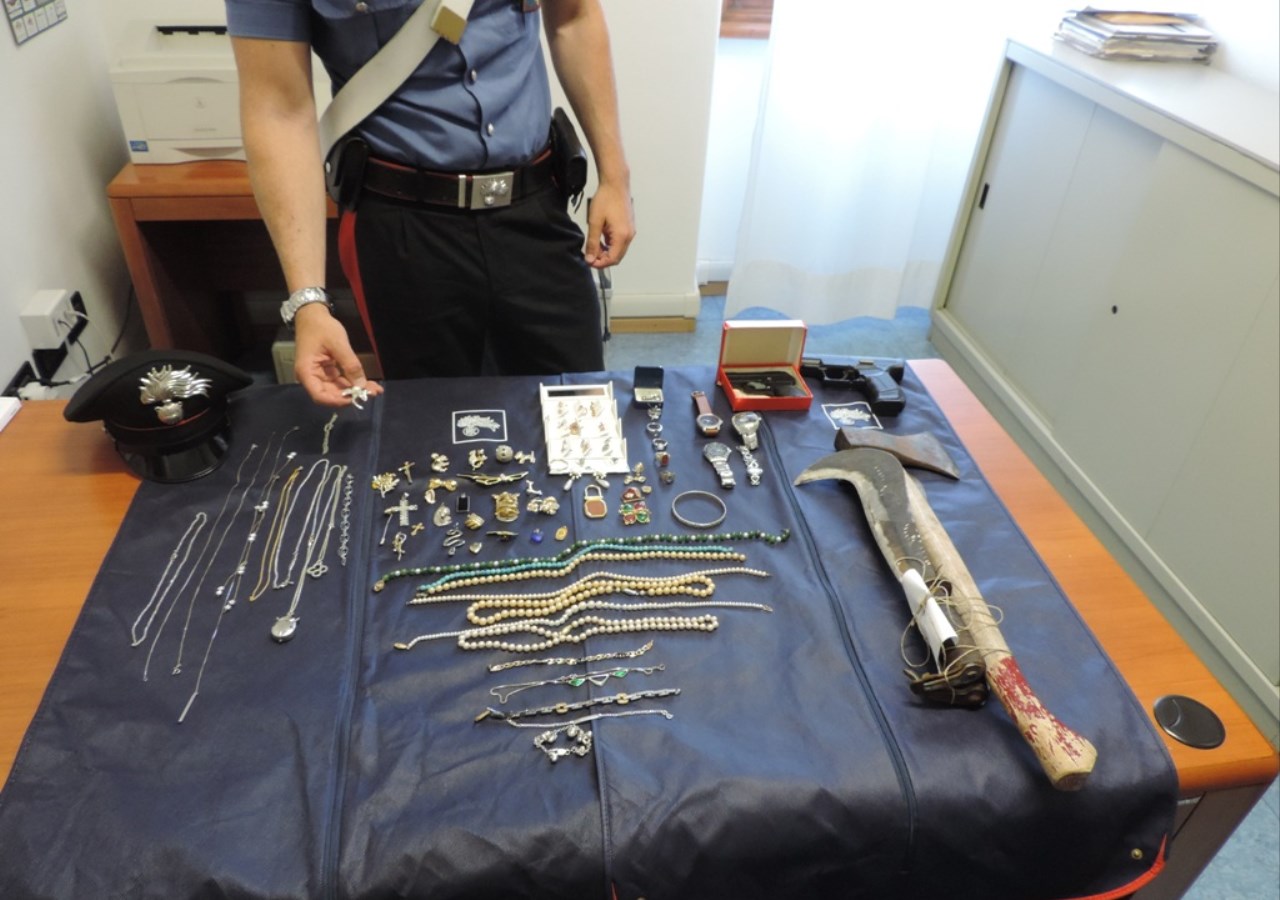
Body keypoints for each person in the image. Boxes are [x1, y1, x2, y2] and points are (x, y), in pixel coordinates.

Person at [224, 0, 636, 407]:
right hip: (402, 227)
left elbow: (573, 17)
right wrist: (308, 302)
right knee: (431, 418)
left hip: (537, 206)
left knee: (577, 406)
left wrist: (615, 177)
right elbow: (278, 109)